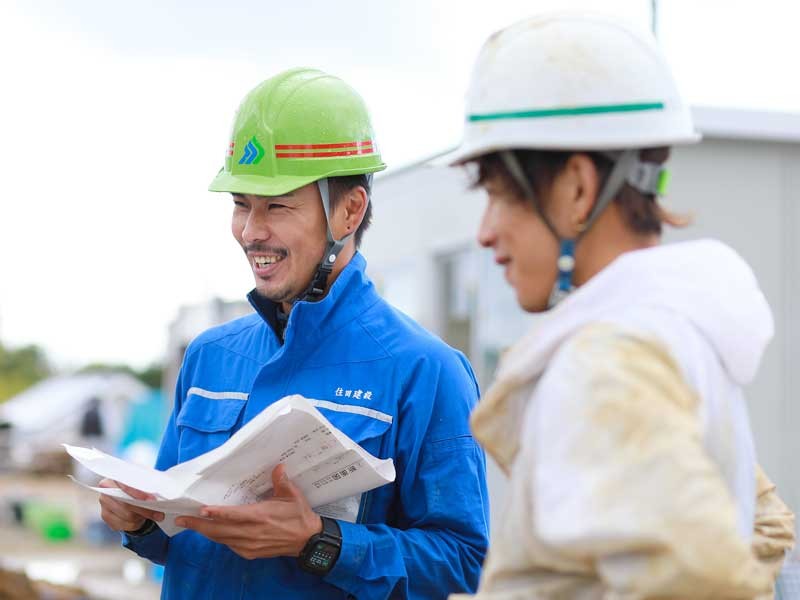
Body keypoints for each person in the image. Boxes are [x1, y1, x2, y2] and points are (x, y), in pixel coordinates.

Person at [98, 68, 490, 599]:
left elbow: (462, 561)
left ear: (349, 211)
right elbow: (177, 538)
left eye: (277, 206)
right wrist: (139, 520)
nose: (250, 231)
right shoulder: (210, 357)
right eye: (241, 204)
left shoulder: (424, 371)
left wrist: (319, 542)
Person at [444, 13, 794, 598]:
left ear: (578, 189)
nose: (484, 232)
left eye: (500, 196)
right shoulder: (676, 330)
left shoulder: (609, 364)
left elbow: (701, 583)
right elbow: (762, 529)